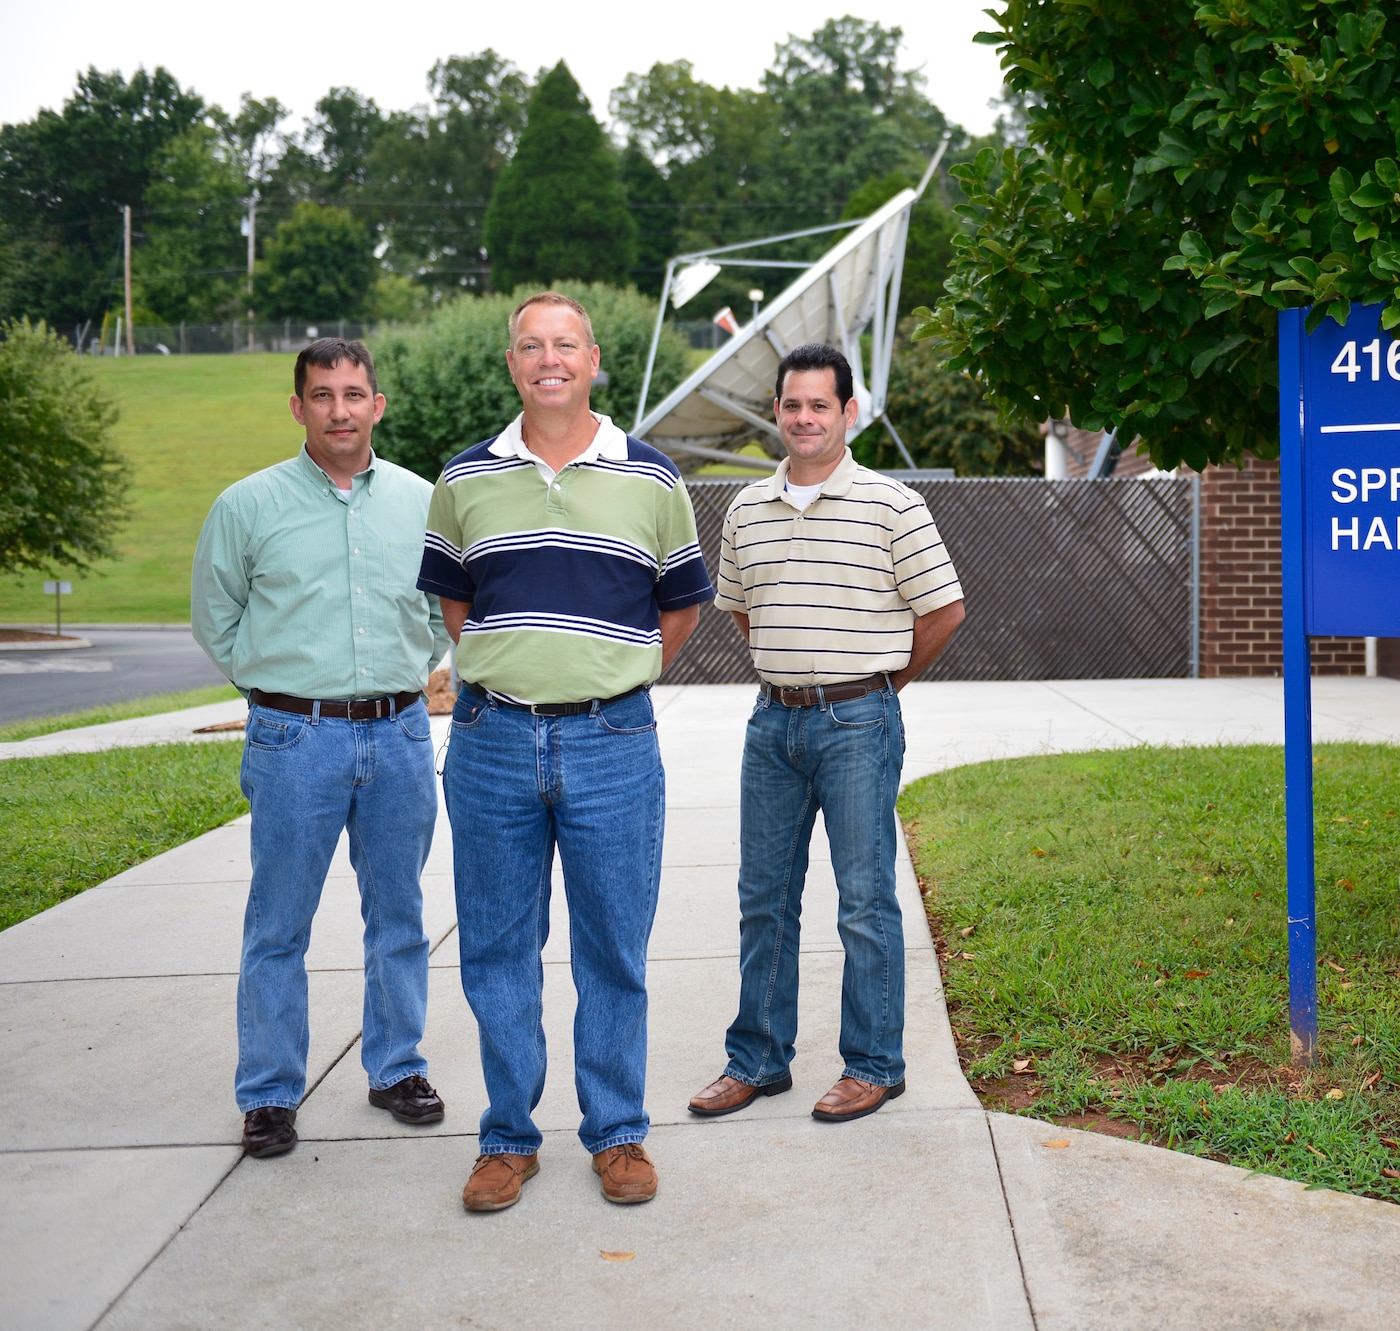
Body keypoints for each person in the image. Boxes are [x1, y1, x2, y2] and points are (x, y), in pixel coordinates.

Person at [417, 292, 712, 1213]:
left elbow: (681, 608)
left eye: (565, 344)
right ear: (512, 364)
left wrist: (607, 679)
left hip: (612, 740)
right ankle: (508, 1136)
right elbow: (456, 607)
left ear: (593, 360)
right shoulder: (464, 481)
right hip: (493, 740)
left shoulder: (653, 480)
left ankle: (618, 1131)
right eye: (530, 345)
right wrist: (518, 671)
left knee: (613, 946)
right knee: (498, 948)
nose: (549, 358)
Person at [689, 343, 965, 1126]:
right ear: (776, 411)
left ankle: (874, 1063)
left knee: (865, 899)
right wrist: (796, 674)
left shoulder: (893, 504)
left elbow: (943, 611)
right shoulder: (745, 509)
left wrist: (880, 685)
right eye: (791, 405)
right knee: (763, 898)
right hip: (773, 720)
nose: (804, 418)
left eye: (820, 405)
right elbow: (741, 607)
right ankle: (757, 1059)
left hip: (859, 722)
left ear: (849, 412)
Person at [192, 338, 452, 1160]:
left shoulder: (421, 500)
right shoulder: (248, 505)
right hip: (292, 736)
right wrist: (274, 686)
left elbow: (447, 604)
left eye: (354, 393)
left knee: (399, 914)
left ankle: (396, 1067)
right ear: (298, 406)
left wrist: (420, 666)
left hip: (401, 732)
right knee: (279, 921)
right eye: (322, 394)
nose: (339, 409)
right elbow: (215, 616)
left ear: (377, 404)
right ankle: (269, 1091)